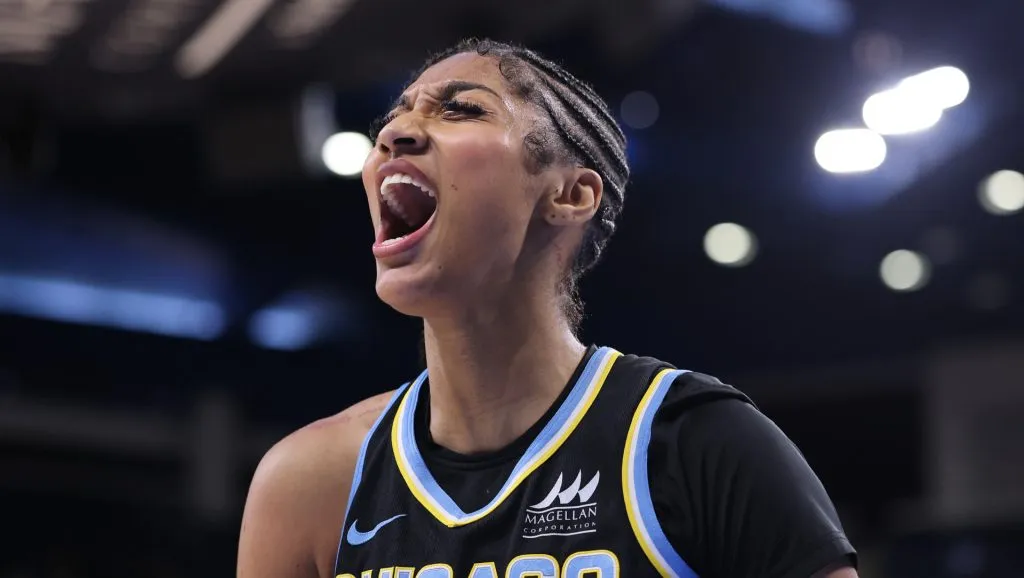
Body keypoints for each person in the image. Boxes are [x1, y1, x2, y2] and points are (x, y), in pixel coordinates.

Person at [237, 39, 858, 578]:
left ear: (570, 194)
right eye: (392, 119)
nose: (392, 135)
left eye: (461, 108)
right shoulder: (310, 482)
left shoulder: (696, 444)